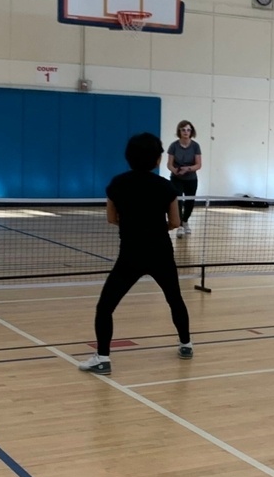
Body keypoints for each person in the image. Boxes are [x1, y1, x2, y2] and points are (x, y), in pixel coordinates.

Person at [79, 133, 193, 374]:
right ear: (157, 159)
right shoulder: (166, 186)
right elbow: (174, 222)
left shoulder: (117, 184)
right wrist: (153, 227)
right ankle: (186, 344)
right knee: (175, 299)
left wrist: (134, 224)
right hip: (160, 253)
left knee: (105, 307)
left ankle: (103, 358)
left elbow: (111, 218)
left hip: (130, 255)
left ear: (128, 157)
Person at [166, 120, 202, 237]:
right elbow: (169, 164)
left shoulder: (195, 146)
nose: (186, 132)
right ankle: (180, 225)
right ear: (179, 131)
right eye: (183, 130)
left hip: (191, 178)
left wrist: (188, 169)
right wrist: (175, 170)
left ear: (191, 132)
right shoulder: (174, 146)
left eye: (188, 130)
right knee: (178, 201)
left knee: (190, 202)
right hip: (176, 178)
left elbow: (198, 164)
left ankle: (185, 220)